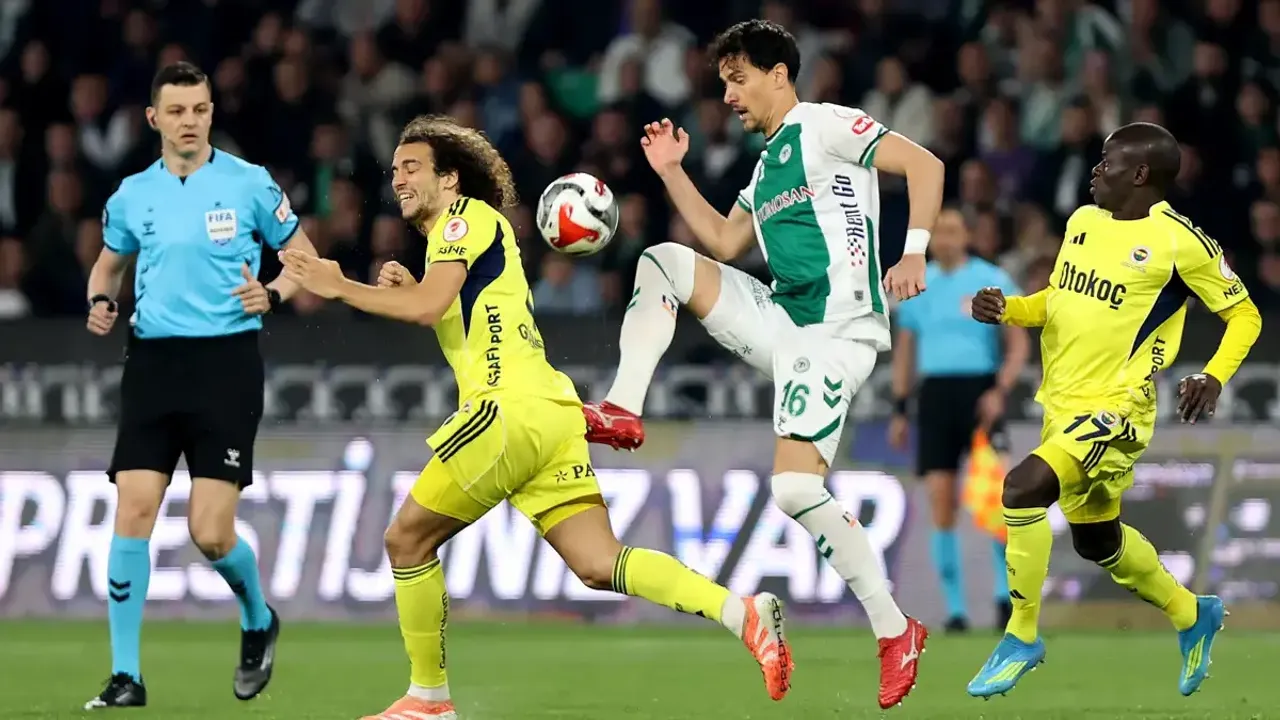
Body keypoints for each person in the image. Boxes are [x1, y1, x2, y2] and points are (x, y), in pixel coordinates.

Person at [278, 115, 795, 720]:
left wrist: (339, 285)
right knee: (599, 563)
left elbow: (426, 308)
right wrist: (412, 286)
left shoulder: (462, 219)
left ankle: (428, 699)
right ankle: (741, 612)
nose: (398, 179)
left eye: (413, 167)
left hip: (507, 413)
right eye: (394, 170)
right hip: (550, 414)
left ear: (450, 179)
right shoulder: (467, 236)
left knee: (406, 540)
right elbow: (460, 314)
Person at [579, 19, 943, 710]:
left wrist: (915, 249)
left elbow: (927, 165)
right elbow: (722, 239)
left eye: (738, 79)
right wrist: (672, 172)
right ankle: (623, 407)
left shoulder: (826, 124)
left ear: (779, 75)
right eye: (723, 83)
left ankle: (896, 630)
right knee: (665, 261)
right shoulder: (769, 164)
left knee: (795, 489)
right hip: (784, 319)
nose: (729, 96)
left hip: (835, 331)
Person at [966, 122, 1263, 698]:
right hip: (1062, 402)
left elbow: (1244, 314)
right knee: (1096, 541)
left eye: (1108, 163)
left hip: (1119, 408)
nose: (1096, 172)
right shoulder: (1083, 222)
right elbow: (1059, 301)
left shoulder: (1180, 242)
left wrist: (1213, 375)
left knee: (1022, 488)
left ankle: (1020, 635)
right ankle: (1191, 612)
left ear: (1141, 174)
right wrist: (1010, 310)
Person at [83, 62, 320, 708]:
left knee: (210, 532)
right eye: (177, 111)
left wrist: (273, 292)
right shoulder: (132, 195)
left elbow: (302, 258)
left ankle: (257, 618)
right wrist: (101, 300)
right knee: (134, 507)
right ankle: (126, 676)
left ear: (212, 112)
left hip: (225, 365)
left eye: (200, 109)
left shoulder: (249, 183)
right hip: (153, 365)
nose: (190, 121)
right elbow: (107, 265)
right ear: (153, 119)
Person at [889, 207, 1028, 632]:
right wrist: (900, 407)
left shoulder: (991, 279)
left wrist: (1000, 390)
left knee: (996, 501)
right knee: (941, 500)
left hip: (980, 393)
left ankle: (1004, 597)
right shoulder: (918, 282)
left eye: (953, 230)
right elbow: (905, 350)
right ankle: (955, 611)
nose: (945, 238)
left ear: (967, 235)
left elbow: (1018, 342)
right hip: (934, 396)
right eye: (939, 231)